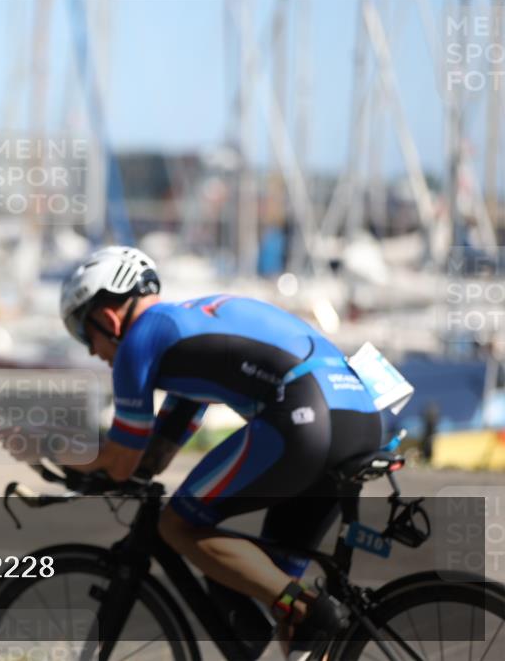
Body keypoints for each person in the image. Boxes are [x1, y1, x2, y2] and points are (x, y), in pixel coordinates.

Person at [55, 246, 382, 658]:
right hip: (361, 416)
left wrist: (55, 453)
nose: (90, 351)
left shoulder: (141, 338)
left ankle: (307, 607)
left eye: (85, 334)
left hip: (307, 418)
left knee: (177, 525)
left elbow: (122, 461)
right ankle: (302, 613)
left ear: (107, 317)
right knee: (263, 585)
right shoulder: (186, 334)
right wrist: (132, 468)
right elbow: (155, 454)